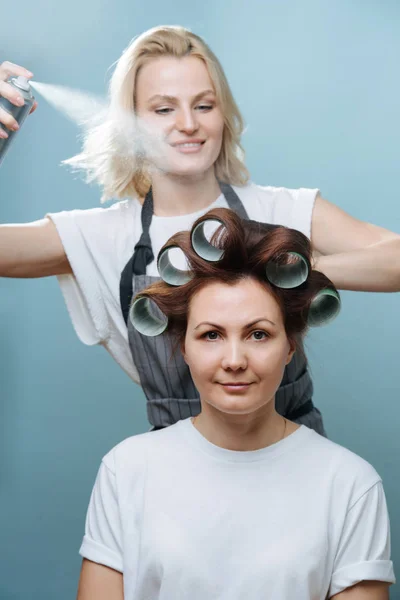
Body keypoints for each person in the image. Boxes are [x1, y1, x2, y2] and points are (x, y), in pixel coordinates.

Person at [1, 26, 400, 435]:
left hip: (301, 467)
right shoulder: (97, 236)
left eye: (204, 105)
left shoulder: (282, 212)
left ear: (223, 115)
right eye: (163, 109)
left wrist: (294, 268)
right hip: (176, 475)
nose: (188, 123)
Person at [76, 208, 395, 600]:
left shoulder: (350, 485)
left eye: (258, 334)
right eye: (211, 335)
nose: (234, 360)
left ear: (290, 346)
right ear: (183, 347)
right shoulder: (126, 471)